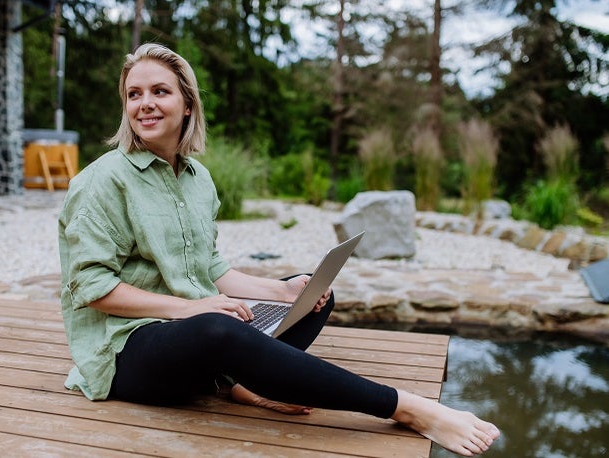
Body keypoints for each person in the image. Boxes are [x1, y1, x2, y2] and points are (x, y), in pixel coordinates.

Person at [58, 42, 500, 457]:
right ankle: (405, 407)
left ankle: (243, 384)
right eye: (134, 94)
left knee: (313, 298)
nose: (145, 103)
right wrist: (192, 310)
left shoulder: (197, 180)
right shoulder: (102, 181)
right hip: (124, 355)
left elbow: (209, 267)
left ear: (188, 103)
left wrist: (284, 291)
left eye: (160, 91)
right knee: (217, 327)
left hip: (189, 340)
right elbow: (92, 288)